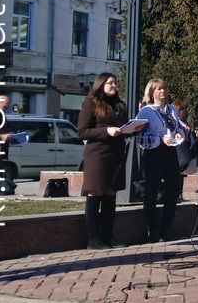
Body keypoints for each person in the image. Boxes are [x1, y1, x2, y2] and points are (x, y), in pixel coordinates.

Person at [76, 73, 141, 249]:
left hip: (116, 155)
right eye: (110, 83)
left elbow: (123, 127)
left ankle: (108, 236)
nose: (114, 85)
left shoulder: (120, 105)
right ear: (101, 84)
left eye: (116, 83)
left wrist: (135, 128)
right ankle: (93, 239)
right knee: (96, 193)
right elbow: (82, 131)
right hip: (98, 155)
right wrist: (106, 131)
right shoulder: (91, 103)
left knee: (110, 195)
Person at [135, 79, 188, 242]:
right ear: (152, 92)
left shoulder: (171, 109)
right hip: (154, 153)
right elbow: (140, 136)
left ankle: (167, 228)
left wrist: (179, 133)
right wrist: (159, 139)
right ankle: (153, 229)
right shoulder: (146, 111)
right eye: (158, 89)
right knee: (151, 191)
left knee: (173, 189)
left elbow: (177, 127)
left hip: (170, 151)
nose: (162, 91)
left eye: (164, 88)